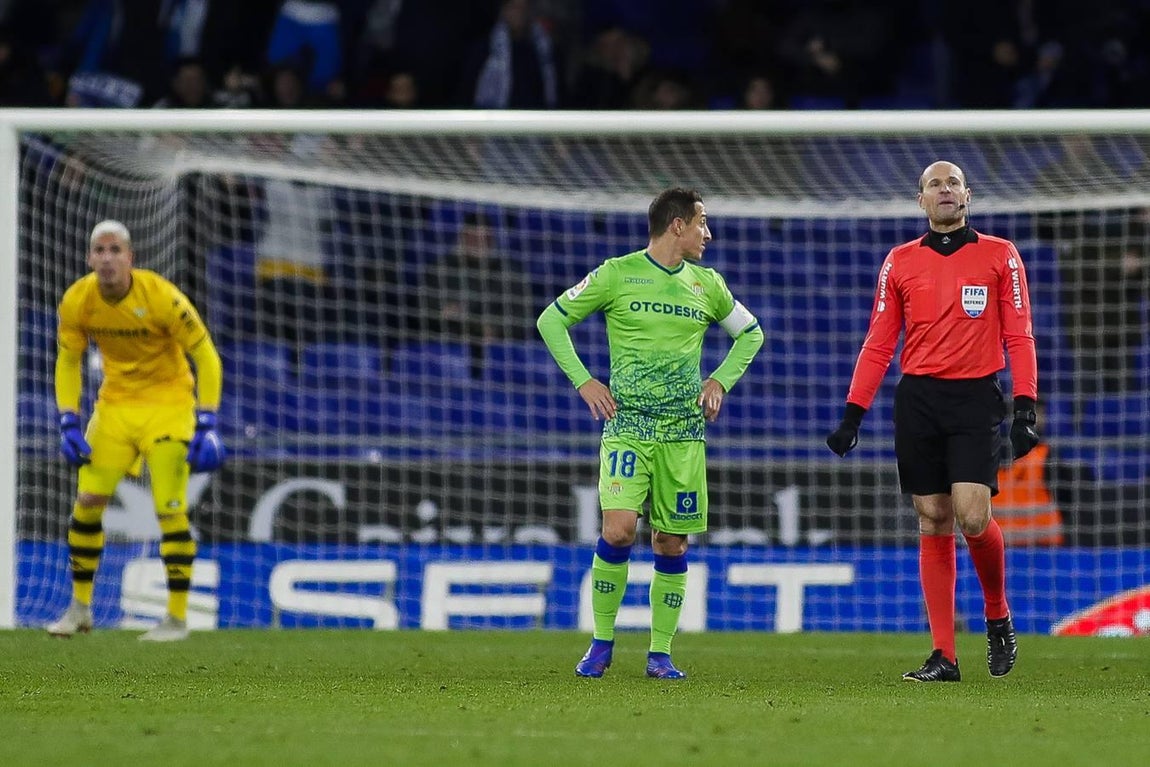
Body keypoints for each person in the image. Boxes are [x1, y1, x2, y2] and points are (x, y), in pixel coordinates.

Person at [537, 188, 764, 679]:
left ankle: (660, 654)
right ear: (676, 225)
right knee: (618, 528)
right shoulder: (616, 273)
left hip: (683, 434)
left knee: (671, 544)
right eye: (702, 222)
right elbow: (551, 319)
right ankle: (600, 644)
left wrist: (720, 379)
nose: (709, 233)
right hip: (628, 427)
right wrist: (584, 381)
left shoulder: (708, 285)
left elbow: (751, 333)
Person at [826, 160, 1038, 682]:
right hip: (918, 397)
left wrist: (1025, 406)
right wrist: (853, 414)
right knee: (932, 517)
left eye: (953, 183)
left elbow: (1020, 334)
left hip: (975, 397)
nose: (944, 190)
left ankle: (996, 613)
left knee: (970, 515)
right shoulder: (899, 262)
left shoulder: (1000, 255)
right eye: (934, 184)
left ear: (968, 196)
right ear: (920, 200)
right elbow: (879, 342)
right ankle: (944, 655)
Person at [47, 220, 226, 642]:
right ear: (90, 257)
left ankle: (177, 619)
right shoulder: (78, 300)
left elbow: (207, 357)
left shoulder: (162, 297)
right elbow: (69, 361)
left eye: (115, 250)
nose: (107, 258)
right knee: (87, 501)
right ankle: (79, 609)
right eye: (99, 251)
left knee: (169, 509)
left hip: (168, 406)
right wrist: (68, 419)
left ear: (130, 256)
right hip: (115, 407)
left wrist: (209, 421)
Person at [994, 401, 1064, 546]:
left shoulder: (1047, 456)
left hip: (1039, 546)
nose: (1039, 419)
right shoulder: (1046, 456)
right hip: (1036, 547)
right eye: (1035, 413)